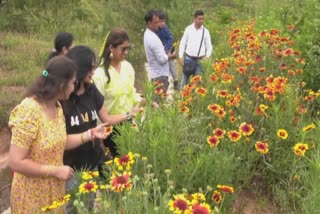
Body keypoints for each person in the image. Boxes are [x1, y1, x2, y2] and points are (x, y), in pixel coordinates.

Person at [8, 56, 107, 213]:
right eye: (72, 83)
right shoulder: (29, 110)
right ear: (62, 84)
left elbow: (59, 140)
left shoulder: (57, 107)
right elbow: (15, 161)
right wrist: (54, 170)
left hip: (55, 190)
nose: (74, 87)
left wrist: (90, 134)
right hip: (32, 195)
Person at [93, 28, 143, 157]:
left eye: (128, 49)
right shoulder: (100, 75)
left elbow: (132, 93)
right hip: (109, 130)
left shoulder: (127, 67)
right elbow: (97, 109)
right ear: (111, 48)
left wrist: (144, 100)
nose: (126, 52)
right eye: (123, 48)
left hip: (129, 125)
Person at [143, 10, 176, 95]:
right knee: (158, 104)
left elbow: (170, 38)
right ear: (149, 23)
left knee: (158, 102)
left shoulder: (149, 34)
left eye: (159, 22)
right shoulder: (152, 38)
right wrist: (171, 56)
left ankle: (175, 79)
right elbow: (161, 59)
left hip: (157, 74)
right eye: (156, 22)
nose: (158, 24)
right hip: (159, 76)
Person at [178, 10, 213, 89]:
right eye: (199, 19)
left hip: (200, 61)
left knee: (197, 84)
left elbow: (209, 47)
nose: (201, 21)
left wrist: (206, 57)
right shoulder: (188, 29)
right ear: (194, 19)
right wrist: (180, 56)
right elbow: (183, 43)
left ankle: (194, 100)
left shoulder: (205, 31)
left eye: (202, 19)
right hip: (188, 59)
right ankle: (182, 99)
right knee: (184, 83)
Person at [155, 10, 179, 90]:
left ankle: (175, 80)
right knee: (162, 64)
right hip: (159, 50)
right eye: (160, 22)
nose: (162, 23)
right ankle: (163, 81)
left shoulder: (165, 29)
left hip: (167, 48)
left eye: (164, 21)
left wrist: (166, 48)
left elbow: (170, 39)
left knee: (171, 62)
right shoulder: (155, 30)